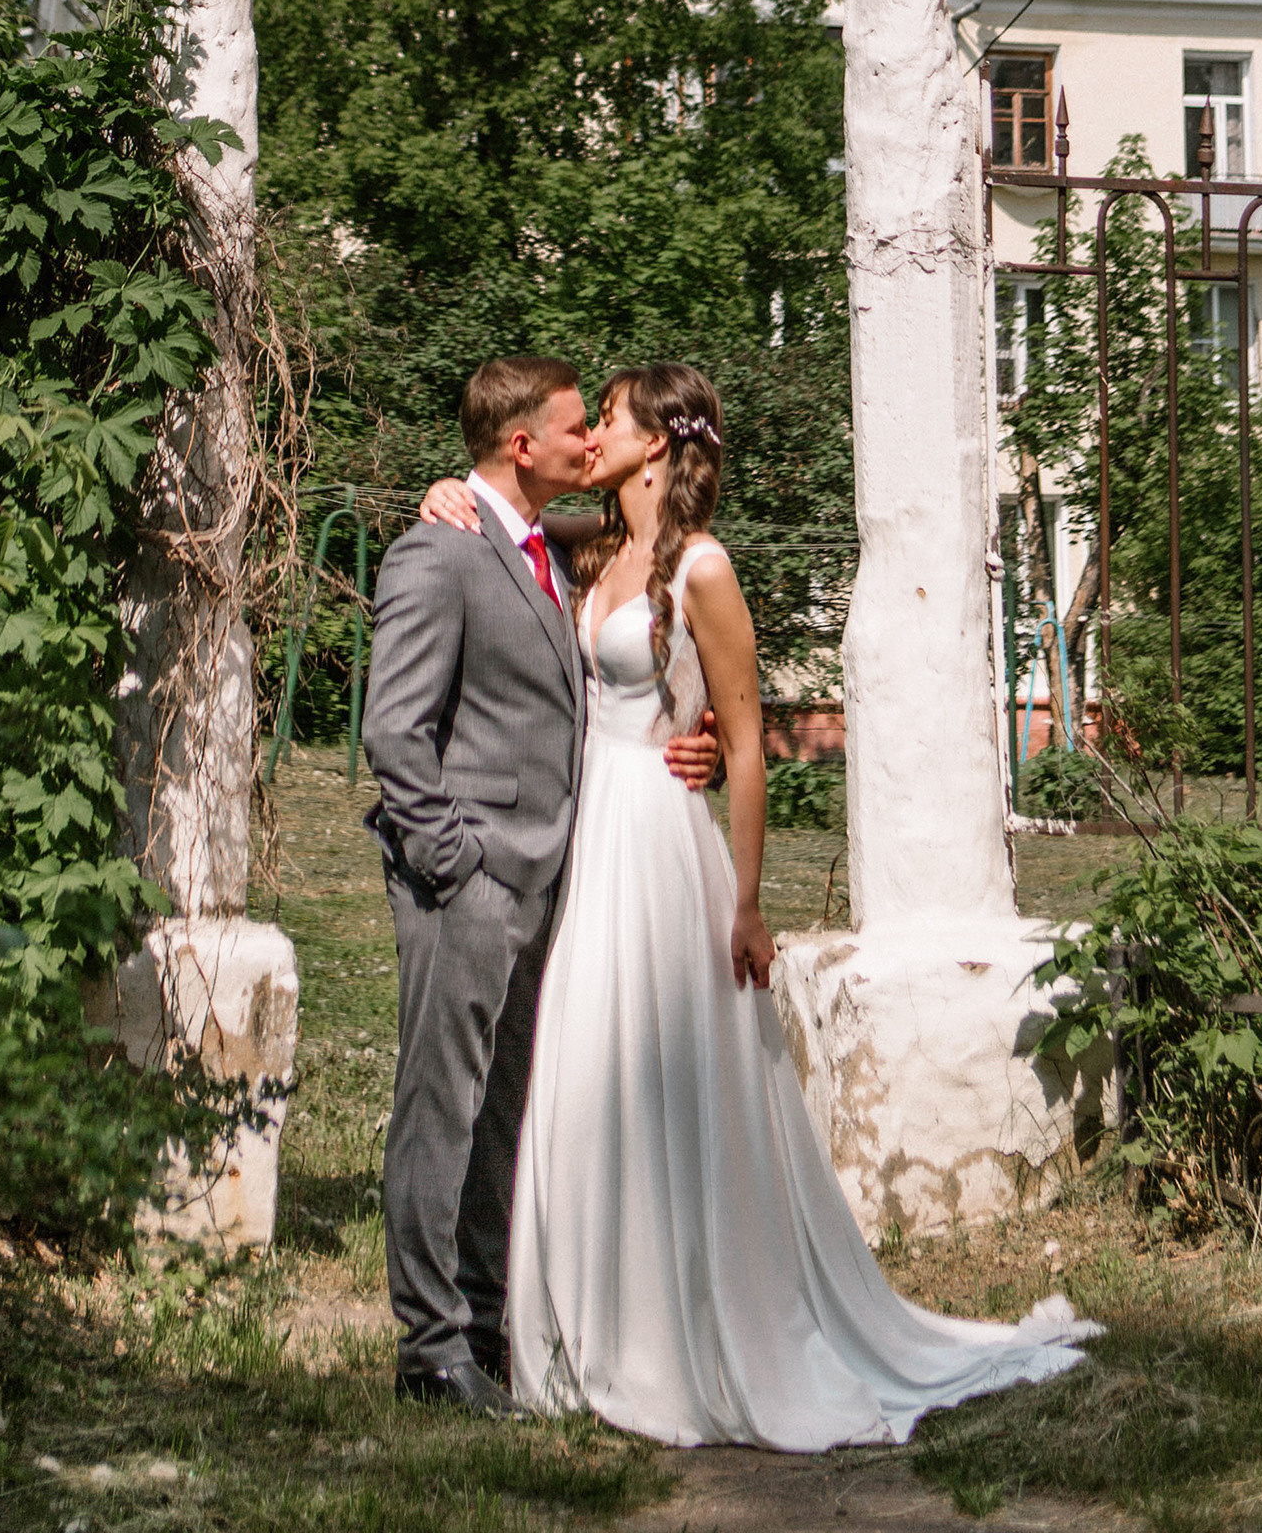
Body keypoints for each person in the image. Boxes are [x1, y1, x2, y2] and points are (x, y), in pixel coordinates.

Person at [418, 362, 1099, 1447]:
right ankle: (577, 1326)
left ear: (658, 442)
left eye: (609, 416)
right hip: (584, 839)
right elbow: (496, 547)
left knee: (668, 1074)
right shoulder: (586, 553)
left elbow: (743, 748)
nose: (590, 431)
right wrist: (439, 496)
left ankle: (684, 1324)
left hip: (659, 845)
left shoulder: (703, 568)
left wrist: (745, 904)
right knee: (578, 1069)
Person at [360, 356, 719, 1415]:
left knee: (501, 1113)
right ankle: (428, 1349)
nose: (587, 442)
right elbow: (393, 727)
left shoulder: (538, 545)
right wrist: (450, 862)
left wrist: (688, 733)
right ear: (523, 445)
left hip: (544, 878)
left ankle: (484, 1323)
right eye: (574, 428)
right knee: (440, 1109)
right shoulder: (438, 551)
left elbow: (637, 549)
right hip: (469, 879)